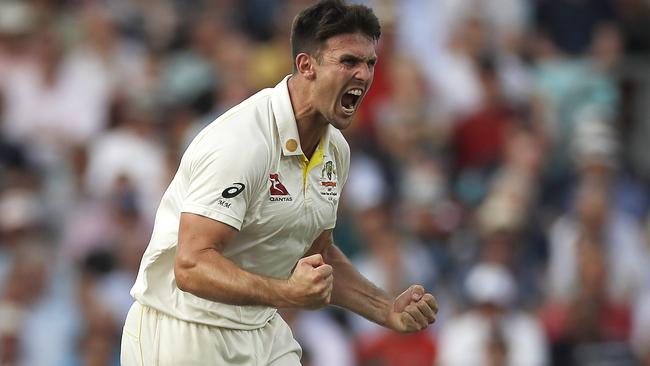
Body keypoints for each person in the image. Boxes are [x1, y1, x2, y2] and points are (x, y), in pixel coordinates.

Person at [120, 1, 439, 365]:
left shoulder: (336, 151)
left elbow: (315, 254)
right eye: (349, 62)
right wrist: (287, 293)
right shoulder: (241, 142)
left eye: (370, 64)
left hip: (261, 326)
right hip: (184, 327)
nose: (364, 76)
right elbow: (191, 264)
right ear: (306, 66)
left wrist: (386, 309)